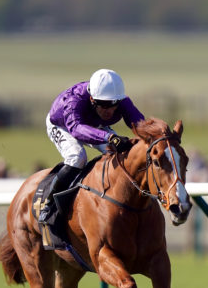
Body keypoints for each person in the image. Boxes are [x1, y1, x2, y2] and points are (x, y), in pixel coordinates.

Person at [39, 68, 145, 224]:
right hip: (63, 125)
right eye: (103, 105)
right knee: (77, 157)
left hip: (93, 123)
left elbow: (140, 123)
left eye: (114, 104)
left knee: (117, 152)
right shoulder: (73, 100)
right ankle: (49, 204)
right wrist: (109, 136)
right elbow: (76, 128)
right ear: (92, 100)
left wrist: (153, 136)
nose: (109, 110)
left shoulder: (120, 100)